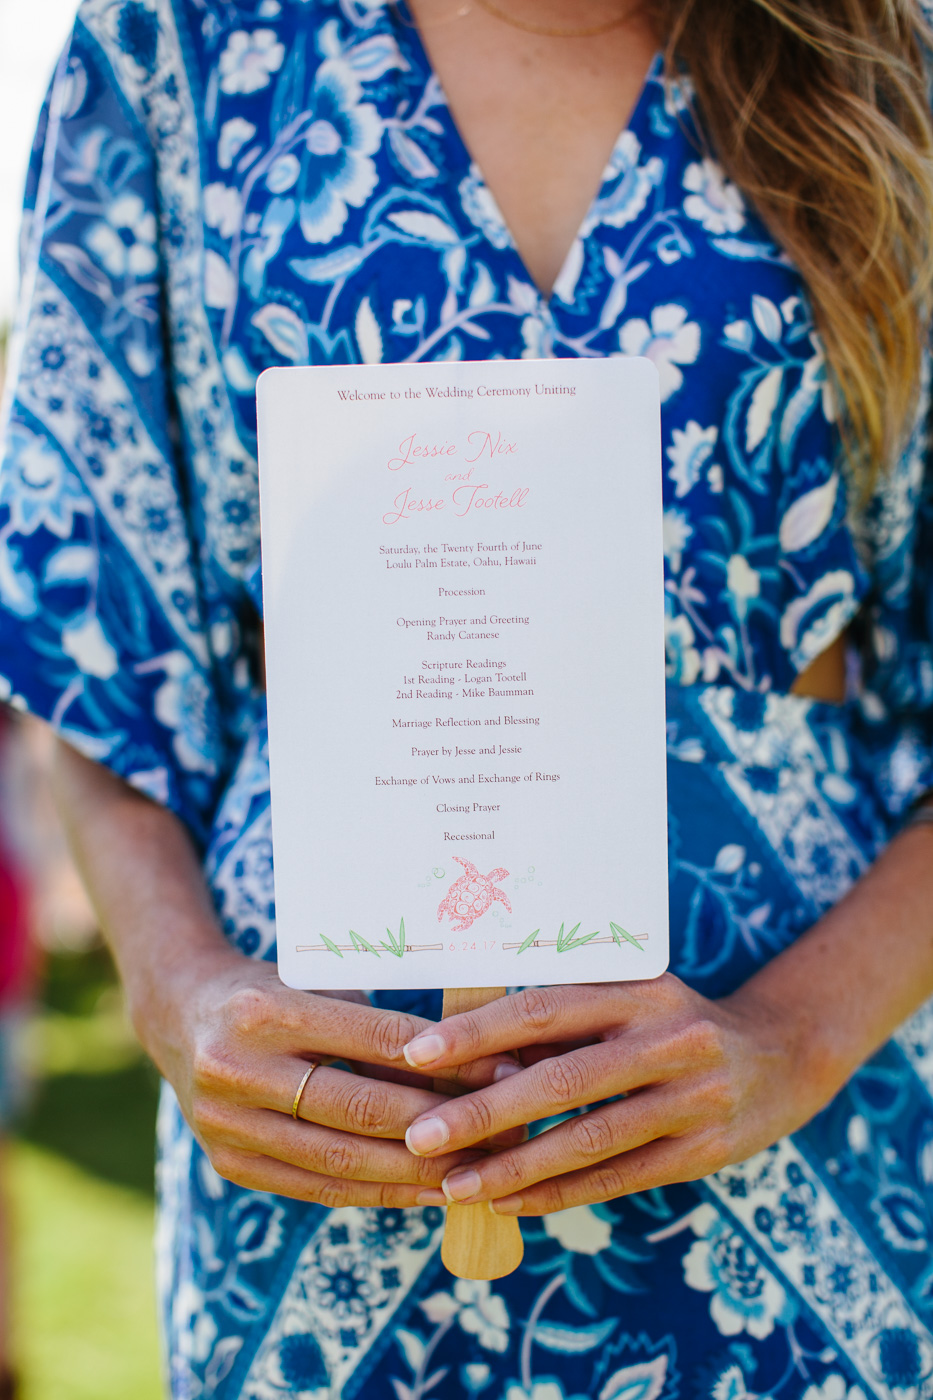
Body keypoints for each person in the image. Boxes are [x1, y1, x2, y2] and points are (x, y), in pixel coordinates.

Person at [1, 0, 933, 1395]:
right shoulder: (173, 45)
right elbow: (91, 614)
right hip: (323, 1180)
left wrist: (793, 1042)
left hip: (803, 1180)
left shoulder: (891, 56)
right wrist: (179, 999)